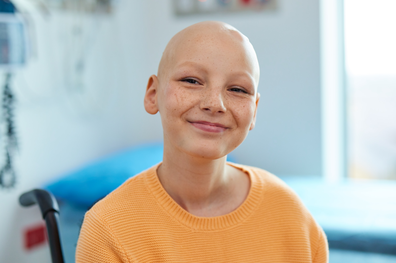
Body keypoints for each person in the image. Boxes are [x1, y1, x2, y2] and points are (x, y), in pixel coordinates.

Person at [76, 21, 329, 262]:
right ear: (153, 94)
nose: (214, 104)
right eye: (191, 81)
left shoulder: (290, 213)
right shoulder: (109, 228)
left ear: (255, 110)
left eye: (238, 90)